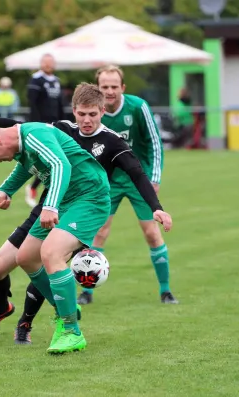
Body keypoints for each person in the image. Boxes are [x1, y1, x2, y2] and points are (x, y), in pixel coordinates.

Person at [0, 83, 172, 350]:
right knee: (25, 257)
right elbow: (27, 164)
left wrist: (51, 207)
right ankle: (65, 307)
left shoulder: (36, 136)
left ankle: (71, 330)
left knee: (51, 253)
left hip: (90, 197)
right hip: (67, 199)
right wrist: (5, 189)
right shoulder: (25, 140)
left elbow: (61, 165)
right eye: (82, 113)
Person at [75, 65, 176, 305]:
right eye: (104, 87)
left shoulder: (138, 107)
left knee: (152, 233)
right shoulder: (92, 112)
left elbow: (155, 143)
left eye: (113, 86)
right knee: (99, 232)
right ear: (97, 89)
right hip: (106, 181)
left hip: (137, 179)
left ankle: (166, 290)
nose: (109, 91)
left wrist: (155, 178)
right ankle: (87, 292)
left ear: (123, 87)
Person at [25, 54, 64, 207]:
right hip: (41, 125)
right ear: (41, 64)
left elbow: (60, 104)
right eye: (45, 63)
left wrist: (62, 123)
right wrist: (37, 124)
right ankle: (34, 187)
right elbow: (32, 104)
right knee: (47, 158)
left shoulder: (56, 81)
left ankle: (36, 187)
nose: (48, 66)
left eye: (51, 63)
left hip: (55, 125)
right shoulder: (36, 80)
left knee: (52, 159)